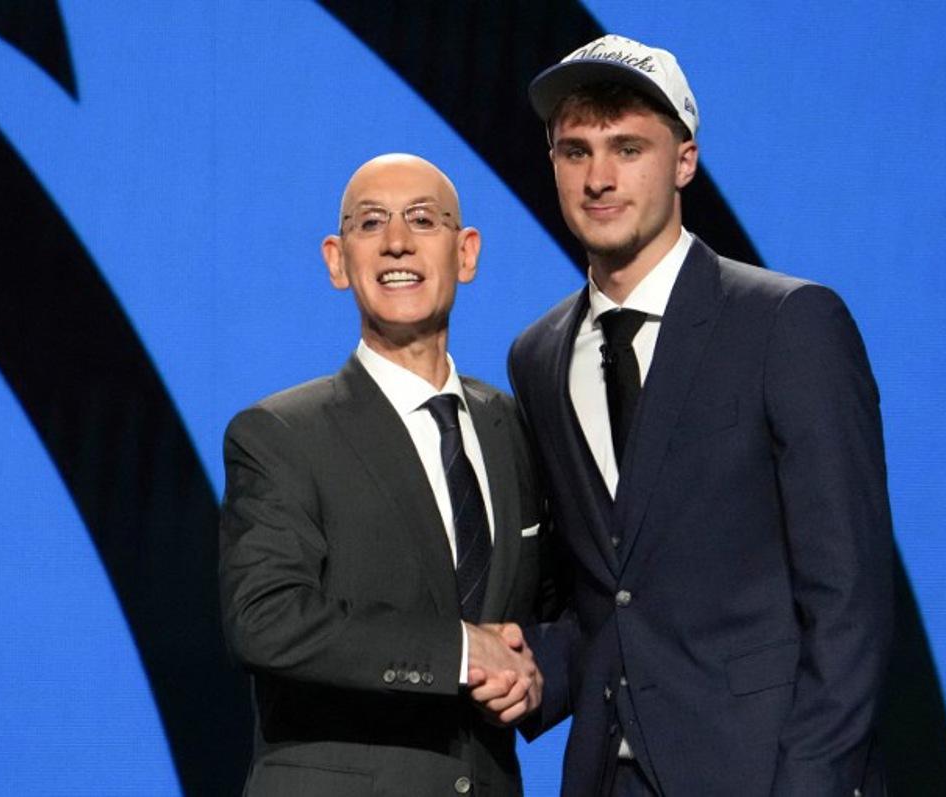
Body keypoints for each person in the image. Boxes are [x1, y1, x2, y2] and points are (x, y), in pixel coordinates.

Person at [505, 35, 894, 796]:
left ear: (684, 161)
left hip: (765, 773)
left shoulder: (788, 324)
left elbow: (849, 600)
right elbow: (605, 594)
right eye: (575, 151)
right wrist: (514, 667)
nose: (600, 178)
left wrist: (810, 783)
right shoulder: (539, 355)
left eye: (627, 148)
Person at [220, 154, 549, 796]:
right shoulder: (280, 434)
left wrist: (536, 674)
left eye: (423, 220)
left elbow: (545, 609)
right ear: (338, 261)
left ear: (466, 252)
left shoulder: (509, 427)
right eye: (372, 224)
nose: (398, 242)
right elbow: (265, 617)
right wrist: (457, 652)